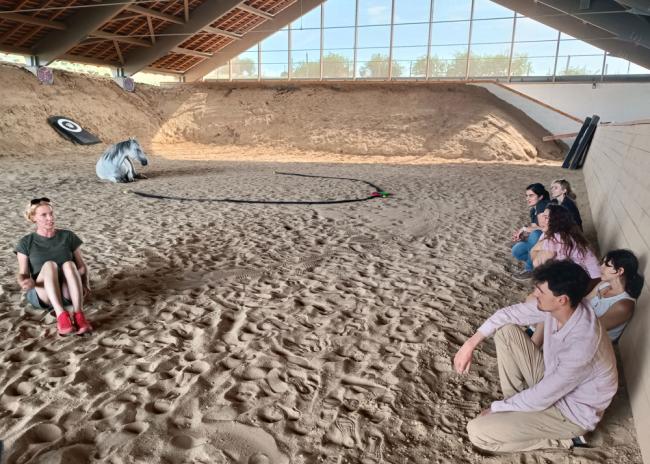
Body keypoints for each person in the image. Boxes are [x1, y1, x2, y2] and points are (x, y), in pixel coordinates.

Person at [453, 260, 618, 452]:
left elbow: (543, 396)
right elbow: (507, 315)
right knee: (506, 332)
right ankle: (516, 406)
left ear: (562, 299)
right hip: (552, 382)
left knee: (477, 432)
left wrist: (497, 408)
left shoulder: (583, 344)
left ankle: (566, 441)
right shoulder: (563, 308)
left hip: (570, 413)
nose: (534, 294)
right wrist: (470, 344)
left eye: (540, 291)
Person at [15, 198, 93, 336]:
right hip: (42, 293)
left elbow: (81, 266)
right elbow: (23, 273)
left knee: (69, 264)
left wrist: (85, 284)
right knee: (50, 265)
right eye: (44, 215)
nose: (50, 218)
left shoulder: (67, 236)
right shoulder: (26, 242)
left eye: (51, 213)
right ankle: (61, 315)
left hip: (67, 291)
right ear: (33, 218)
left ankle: (78, 314)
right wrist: (24, 281)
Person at [529, 204, 600, 280]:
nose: (542, 220)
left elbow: (537, 264)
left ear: (556, 221)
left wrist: (536, 248)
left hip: (589, 279)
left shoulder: (557, 238)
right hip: (587, 276)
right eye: (543, 216)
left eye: (546, 217)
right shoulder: (565, 233)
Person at [587, 249, 643, 341]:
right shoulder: (603, 284)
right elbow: (584, 301)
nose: (601, 267)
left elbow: (594, 329)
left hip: (595, 340)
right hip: (582, 326)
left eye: (606, 265)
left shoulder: (624, 304)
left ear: (620, 271)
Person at [511, 183, 550, 279]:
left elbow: (545, 229)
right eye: (527, 196)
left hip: (553, 241)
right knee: (516, 251)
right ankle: (539, 265)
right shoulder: (533, 209)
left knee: (536, 234)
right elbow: (533, 227)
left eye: (531, 195)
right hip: (541, 242)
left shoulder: (543, 205)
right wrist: (523, 235)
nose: (527, 198)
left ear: (540, 197)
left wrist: (524, 229)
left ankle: (530, 270)